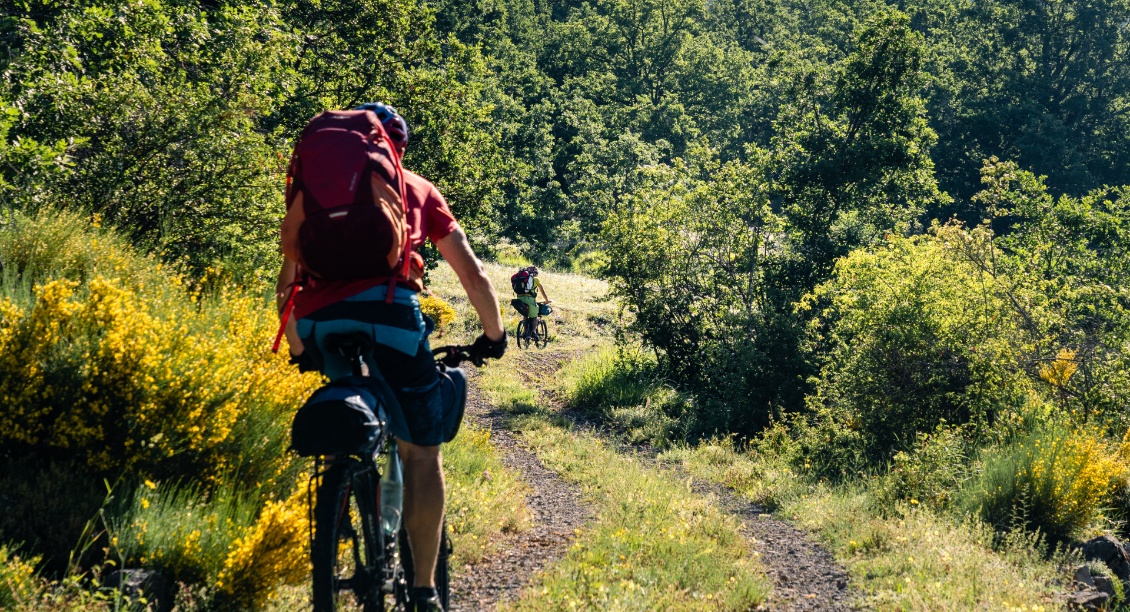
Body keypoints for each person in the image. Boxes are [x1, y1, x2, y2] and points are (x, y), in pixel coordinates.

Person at [276, 102, 506, 612]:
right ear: (393, 147)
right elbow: (472, 273)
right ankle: (424, 591)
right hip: (388, 315)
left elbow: (287, 282)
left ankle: (338, 502)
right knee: (420, 451)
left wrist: (299, 348)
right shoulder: (416, 188)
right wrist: (494, 335)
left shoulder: (312, 193)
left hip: (318, 322)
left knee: (343, 422)